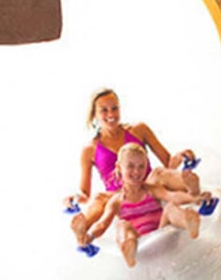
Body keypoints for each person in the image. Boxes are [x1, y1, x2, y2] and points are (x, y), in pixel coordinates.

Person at [68, 88, 201, 245]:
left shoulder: (139, 130)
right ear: (94, 115)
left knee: (159, 172)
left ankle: (193, 188)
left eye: (114, 108)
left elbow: (167, 162)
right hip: (120, 194)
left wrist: (180, 157)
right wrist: (75, 198)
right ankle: (82, 230)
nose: (111, 115)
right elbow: (85, 193)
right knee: (99, 198)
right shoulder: (89, 149)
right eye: (104, 110)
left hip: (148, 185)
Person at [80, 143, 212, 268]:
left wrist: (194, 199)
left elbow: (172, 196)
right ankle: (128, 247)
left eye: (141, 166)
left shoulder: (152, 189)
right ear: (119, 168)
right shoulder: (116, 201)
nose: (137, 171)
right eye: (131, 166)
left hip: (161, 233)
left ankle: (188, 223)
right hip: (140, 246)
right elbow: (102, 224)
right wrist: (89, 236)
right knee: (122, 225)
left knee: (170, 207)